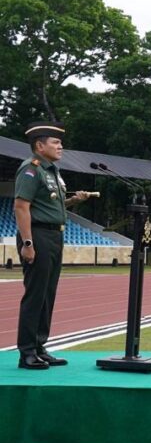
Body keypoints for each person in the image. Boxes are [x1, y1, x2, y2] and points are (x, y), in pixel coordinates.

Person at [14, 121, 93, 370]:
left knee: (48, 294)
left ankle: (40, 347)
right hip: (37, 235)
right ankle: (27, 352)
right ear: (40, 146)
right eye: (55, 142)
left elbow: (48, 206)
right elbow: (21, 206)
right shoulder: (32, 169)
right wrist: (28, 243)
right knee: (36, 294)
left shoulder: (52, 171)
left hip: (54, 235)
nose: (61, 146)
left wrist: (73, 201)